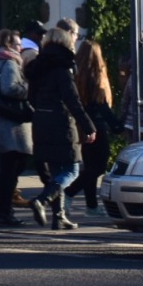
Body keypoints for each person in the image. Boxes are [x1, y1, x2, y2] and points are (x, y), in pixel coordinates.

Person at [24, 25, 96, 230]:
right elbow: (72, 100)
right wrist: (88, 126)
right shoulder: (63, 67)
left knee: (56, 171)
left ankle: (59, 216)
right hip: (61, 122)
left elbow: (31, 96)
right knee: (72, 169)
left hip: (41, 121)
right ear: (66, 42)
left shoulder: (38, 66)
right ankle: (42, 200)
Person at [63, 39, 123, 218]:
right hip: (97, 126)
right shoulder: (97, 76)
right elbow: (102, 105)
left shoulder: (77, 74)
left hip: (82, 125)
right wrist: (116, 125)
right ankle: (69, 192)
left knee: (89, 166)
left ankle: (91, 205)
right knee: (99, 167)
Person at [0, 28, 33, 227]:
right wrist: (28, 89)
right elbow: (9, 88)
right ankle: (2, 208)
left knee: (8, 168)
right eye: (19, 44)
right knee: (12, 169)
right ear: (9, 45)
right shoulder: (10, 63)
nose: (21, 48)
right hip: (9, 125)